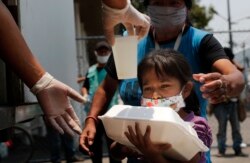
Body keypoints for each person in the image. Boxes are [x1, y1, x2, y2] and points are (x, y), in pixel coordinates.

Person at [0, 0, 149, 136]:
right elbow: (104, 88)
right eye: (158, 2)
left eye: (172, 3)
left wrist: (117, 6)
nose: (165, 8)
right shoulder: (96, 67)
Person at [110, 49, 212, 163]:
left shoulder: (195, 126)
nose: (155, 96)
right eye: (148, 88)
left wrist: (152, 155)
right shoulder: (143, 121)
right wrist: (124, 145)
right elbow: (116, 153)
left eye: (164, 86)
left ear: (186, 89)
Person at [81, 41, 121, 163]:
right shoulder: (91, 70)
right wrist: (85, 95)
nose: (103, 54)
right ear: (96, 53)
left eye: (105, 51)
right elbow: (85, 85)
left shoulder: (116, 69)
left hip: (111, 113)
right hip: (94, 113)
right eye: (100, 52)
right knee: (94, 144)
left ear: (110, 53)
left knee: (113, 144)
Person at [211, 47, 248, 157]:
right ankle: (221, 150)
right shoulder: (217, 67)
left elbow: (241, 70)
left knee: (236, 127)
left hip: (233, 102)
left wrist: (231, 62)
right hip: (220, 103)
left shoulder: (234, 68)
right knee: (222, 127)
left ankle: (237, 149)